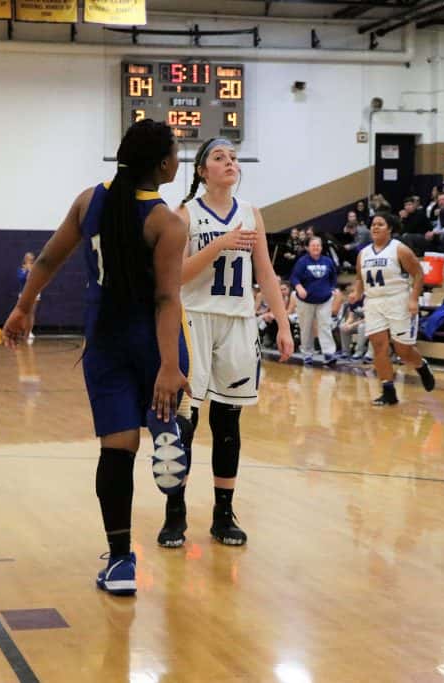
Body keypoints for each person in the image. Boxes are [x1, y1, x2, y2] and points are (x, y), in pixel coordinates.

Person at [2, 119, 190, 596]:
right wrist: (170, 367)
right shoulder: (167, 223)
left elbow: (48, 258)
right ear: (163, 165)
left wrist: (23, 307)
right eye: (176, 153)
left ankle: (122, 561)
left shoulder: (89, 200)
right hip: (153, 341)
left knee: (116, 451)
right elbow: (166, 299)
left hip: (105, 341)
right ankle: (167, 428)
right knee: (167, 405)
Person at [157, 136, 294, 549]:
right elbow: (175, 276)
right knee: (187, 421)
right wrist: (220, 244)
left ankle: (223, 514)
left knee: (228, 422)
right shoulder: (185, 213)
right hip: (194, 319)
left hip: (238, 321)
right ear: (203, 171)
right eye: (220, 157)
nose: (230, 162)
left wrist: (283, 324)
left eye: (233, 157)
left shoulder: (251, 213)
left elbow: (265, 272)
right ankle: (175, 512)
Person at [347, 213, 436, 406]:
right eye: (373, 224)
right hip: (373, 302)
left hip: (398, 300)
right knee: (379, 347)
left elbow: (418, 274)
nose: (375, 227)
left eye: (380, 224)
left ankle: (421, 366)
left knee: (403, 351)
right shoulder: (363, 253)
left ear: (390, 229)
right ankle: (388, 391)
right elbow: (360, 278)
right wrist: (356, 292)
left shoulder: (400, 249)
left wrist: (414, 299)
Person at [291, 236, 338, 364]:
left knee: (325, 325)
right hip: (305, 301)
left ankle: (329, 353)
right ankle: (307, 354)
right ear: (308, 248)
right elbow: (294, 277)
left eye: (318, 245)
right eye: (313, 245)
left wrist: (332, 289)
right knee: (306, 328)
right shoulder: (302, 262)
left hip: (325, 300)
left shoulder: (328, 261)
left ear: (321, 247)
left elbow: (333, 277)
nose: (316, 248)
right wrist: (299, 287)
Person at [17, 252, 39, 341]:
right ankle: (21, 331)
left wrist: (31, 270)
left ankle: (29, 331)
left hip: (34, 293)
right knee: (23, 313)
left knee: (31, 313)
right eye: (28, 258)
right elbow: (21, 279)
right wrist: (27, 271)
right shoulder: (20, 269)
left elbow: (36, 279)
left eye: (31, 259)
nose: (29, 260)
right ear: (25, 259)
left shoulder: (36, 268)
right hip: (23, 293)